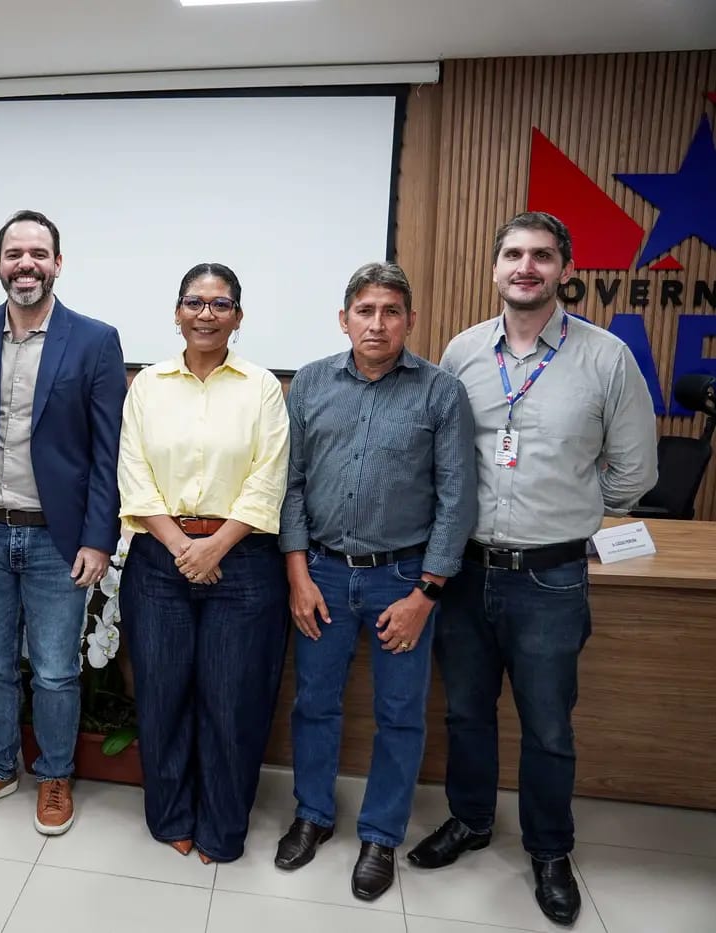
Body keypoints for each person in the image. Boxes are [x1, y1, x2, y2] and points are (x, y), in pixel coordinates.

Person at [410, 212, 658, 926]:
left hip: (551, 578)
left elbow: (635, 470)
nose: (527, 266)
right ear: (495, 269)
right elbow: (440, 457)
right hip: (462, 571)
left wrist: (571, 511)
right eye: (514, 254)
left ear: (563, 268)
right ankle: (470, 820)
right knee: (465, 712)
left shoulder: (605, 357)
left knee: (549, 724)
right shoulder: (461, 352)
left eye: (542, 256)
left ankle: (550, 850)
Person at [274, 262, 476, 898]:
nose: (378, 323)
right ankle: (312, 815)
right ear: (344, 319)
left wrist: (426, 594)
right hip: (324, 575)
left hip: (403, 579)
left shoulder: (440, 393)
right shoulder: (308, 384)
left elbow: (457, 501)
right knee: (315, 704)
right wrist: (298, 575)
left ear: (410, 322)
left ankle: (381, 835)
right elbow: (292, 486)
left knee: (400, 714)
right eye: (365, 311)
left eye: (391, 311)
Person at [0, 210, 126, 835]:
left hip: (58, 539)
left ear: (57, 264)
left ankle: (55, 775)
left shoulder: (95, 340)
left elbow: (107, 451)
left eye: (38, 253)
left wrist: (100, 537)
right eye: (14, 253)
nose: (26, 264)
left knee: (54, 670)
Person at [117, 261, 290, 864]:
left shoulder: (263, 387)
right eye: (195, 303)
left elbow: (269, 477)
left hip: (241, 564)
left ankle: (222, 827)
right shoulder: (148, 385)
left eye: (220, 305)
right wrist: (181, 547)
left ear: (237, 317)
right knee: (162, 696)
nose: (206, 315)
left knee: (232, 701)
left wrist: (214, 547)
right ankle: (169, 817)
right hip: (160, 562)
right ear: (177, 312)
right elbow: (133, 475)